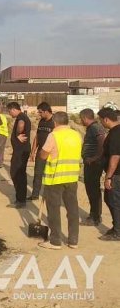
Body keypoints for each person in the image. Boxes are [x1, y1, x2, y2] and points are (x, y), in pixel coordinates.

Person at [38, 111, 82, 249]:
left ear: (55, 122)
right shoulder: (77, 135)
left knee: (54, 209)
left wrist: (40, 153)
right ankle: (73, 240)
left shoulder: (54, 135)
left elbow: (44, 155)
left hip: (55, 178)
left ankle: (55, 241)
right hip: (72, 177)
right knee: (72, 209)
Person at [80, 108, 106, 226]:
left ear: (85, 118)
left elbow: (102, 141)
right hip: (90, 162)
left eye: (81, 119)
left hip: (94, 164)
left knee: (93, 190)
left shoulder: (95, 128)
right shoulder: (92, 128)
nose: (81, 121)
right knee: (91, 189)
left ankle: (95, 217)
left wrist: (95, 157)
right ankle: (94, 214)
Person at [98, 107, 120, 241]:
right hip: (116, 174)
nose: (101, 123)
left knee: (114, 201)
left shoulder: (115, 133)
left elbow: (115, 157)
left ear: (106, 119)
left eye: (101, 120)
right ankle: (116, 226)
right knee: (110, 200)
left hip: (116, 175)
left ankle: (118, 232)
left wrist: (109, 177)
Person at [28, 102, 54, 200]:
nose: (39, 114)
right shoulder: (41, 121)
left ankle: (51, 196)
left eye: (40, 112)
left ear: (46, 111)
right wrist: (32, 152)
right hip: (40, 152)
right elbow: (37, 137)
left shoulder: (54, 122)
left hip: (51, 154)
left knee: (50, 176)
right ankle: (35, 195)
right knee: (38, 174)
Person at [7, 102, 31, 208]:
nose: (9, 113)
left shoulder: (21, 117)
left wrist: (17, 135)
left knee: (16, 174)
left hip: (21, 151)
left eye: (9, 111)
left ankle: (21, 200)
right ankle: (21, 198)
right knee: (20, 174)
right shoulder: (23, 116)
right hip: (20, 151)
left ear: (13, 109)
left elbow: (21, 126)